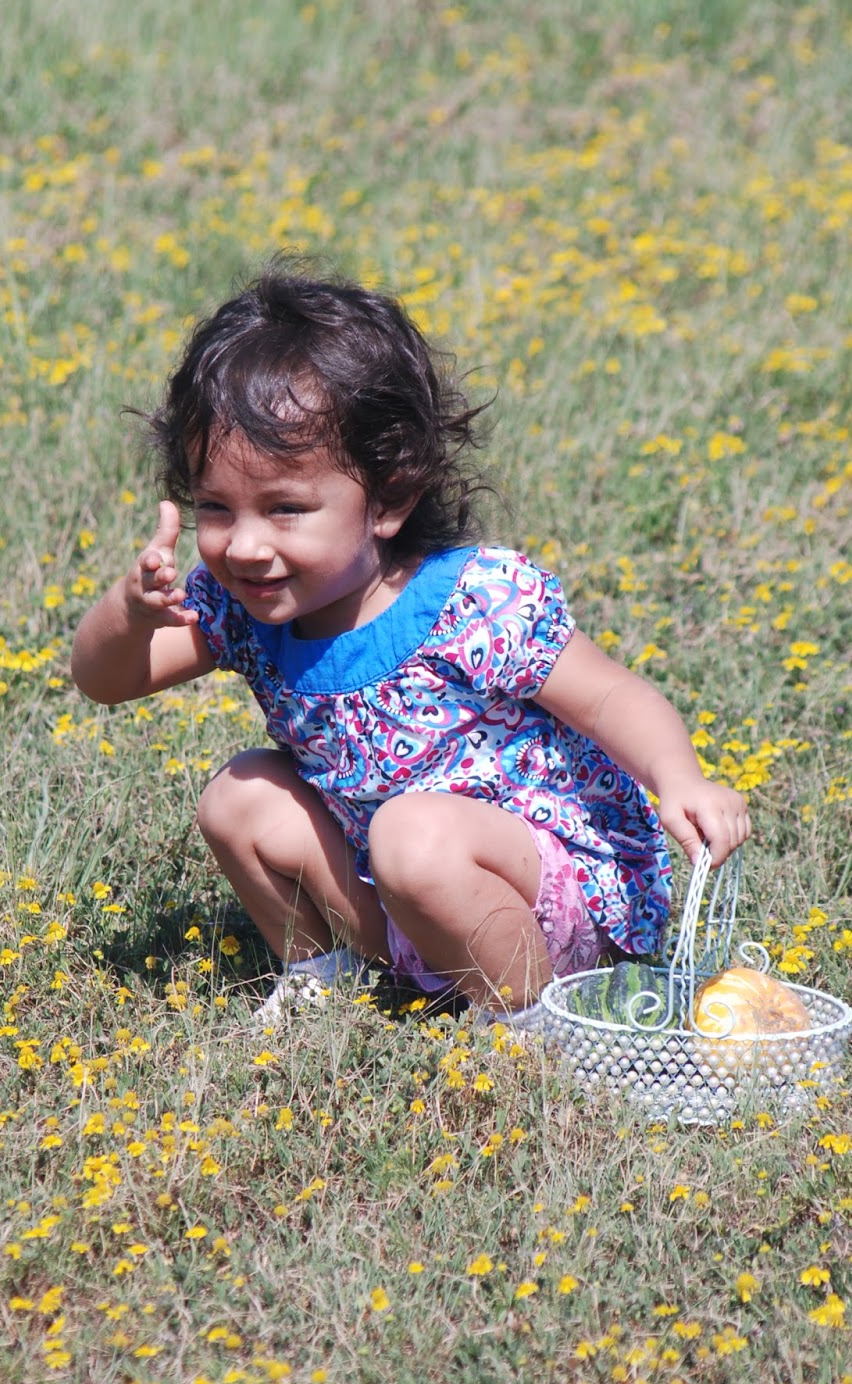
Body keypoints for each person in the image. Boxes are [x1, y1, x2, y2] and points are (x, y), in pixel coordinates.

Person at [71, 265, 751, 1031]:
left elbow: (609, 697)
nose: (246, 545)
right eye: (217, 508)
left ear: (389, 498)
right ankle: (325, 977)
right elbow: (106, 681)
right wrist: (130, 611)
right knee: (240, 796)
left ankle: (533, 1025)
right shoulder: (242, 605)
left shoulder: (471, 603)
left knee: (411, 834)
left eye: (285, 508)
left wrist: (680, 778)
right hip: (399, 889)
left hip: (549, 900)